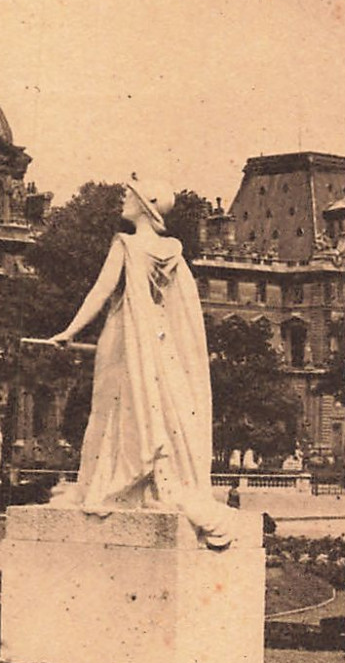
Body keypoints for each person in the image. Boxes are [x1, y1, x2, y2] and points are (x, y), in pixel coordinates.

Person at [46, 176, 235, 549]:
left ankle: (109, 481)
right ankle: (156, 478)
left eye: (128, 196)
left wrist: (68, 332)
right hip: (159, 340)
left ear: (145, 205)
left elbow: (100, 292)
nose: (122, 200)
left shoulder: (127, 245)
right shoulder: (173, 252)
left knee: (112, 410)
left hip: (124, 335)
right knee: (161, 409)